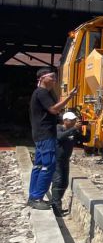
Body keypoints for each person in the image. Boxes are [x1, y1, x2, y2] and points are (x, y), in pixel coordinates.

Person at [28, 67, 76, 209]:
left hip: (40, 133)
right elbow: (54, 109)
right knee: (49, 165)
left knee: (38, 165)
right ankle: (37, 198)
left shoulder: (44, 93)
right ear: (42, 78)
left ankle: (33, 196)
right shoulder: (42, 93)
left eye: (55, 78)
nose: (54, 80)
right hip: (45, 134)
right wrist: (70, 97)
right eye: (52, 77)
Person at [51, 111, 84, 216]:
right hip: (57, 159)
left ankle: (58, 206)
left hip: (65, 159)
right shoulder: (58, 128)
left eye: (75, 120)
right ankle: (56, 207)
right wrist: (74, 129)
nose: (74, 122)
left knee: (64, 183)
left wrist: (86, 130)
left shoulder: (72, 131)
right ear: (65, 121)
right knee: (58, 181)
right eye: (72, 120)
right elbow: (60, 137)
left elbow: (84, 139)